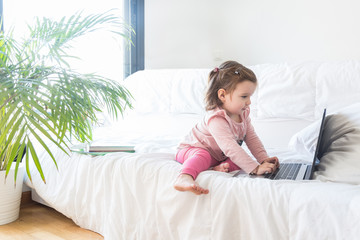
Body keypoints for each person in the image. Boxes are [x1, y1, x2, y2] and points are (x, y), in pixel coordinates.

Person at [173, 60, 279, 195]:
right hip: (190, 150)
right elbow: (230, 147)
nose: (249, 102)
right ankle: (184, 177)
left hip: (218, 155)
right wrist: (255, 168)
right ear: (222, 95)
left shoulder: (243, 113)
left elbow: (251, 138)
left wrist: (263, 159)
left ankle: (213, 168)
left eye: (250, 96)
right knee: (203, 155)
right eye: (244, 96)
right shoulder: (216, 118)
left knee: (237, 161)